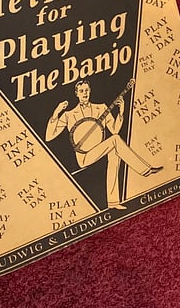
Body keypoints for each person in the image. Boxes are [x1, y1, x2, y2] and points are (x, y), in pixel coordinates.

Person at [45, 80, 161, 211]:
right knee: (115, 141)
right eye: (81, 91)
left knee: (115, 150)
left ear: (90, 91)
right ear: (76, 93)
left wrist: (121, 112)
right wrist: (56, 113)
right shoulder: (69, 115)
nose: (85, 93)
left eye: (87, 90)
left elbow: (115, 130)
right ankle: (145, 170)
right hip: (84, 157)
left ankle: (113, 202)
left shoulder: (101, 108)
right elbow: (49, 137)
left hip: (100, 149)